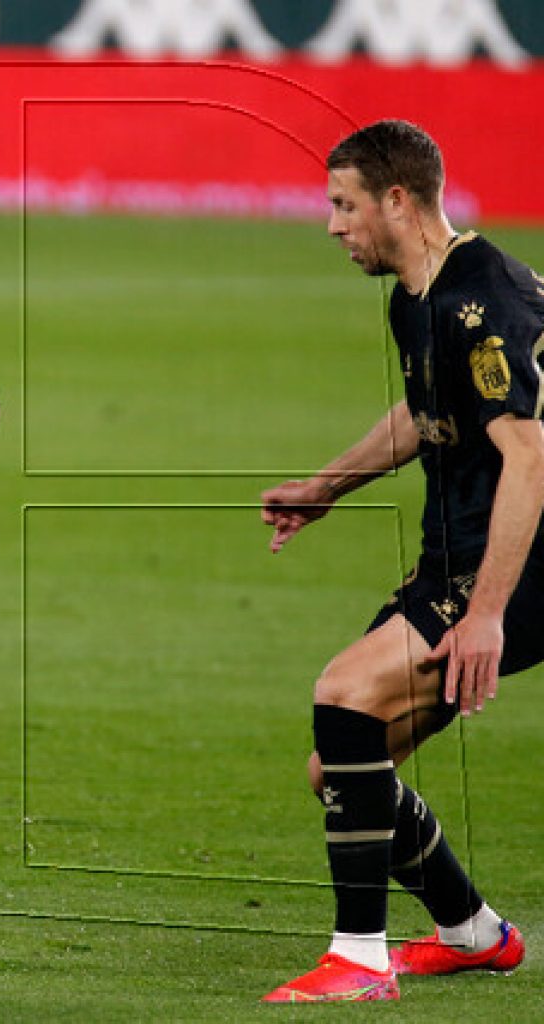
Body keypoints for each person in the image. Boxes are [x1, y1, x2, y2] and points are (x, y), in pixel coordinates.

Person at [259, 119, 544, 1003]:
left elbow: (531, 459)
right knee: (342, 767)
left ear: (398, 200)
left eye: (345, 205)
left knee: (343, 692)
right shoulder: (415, 298)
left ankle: (358, 958)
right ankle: (473, 934)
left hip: (519, 558)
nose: (334, 225)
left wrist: (488, 614)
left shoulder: (483, 300)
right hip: (456, 555)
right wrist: (327, 486)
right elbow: (426, 418)